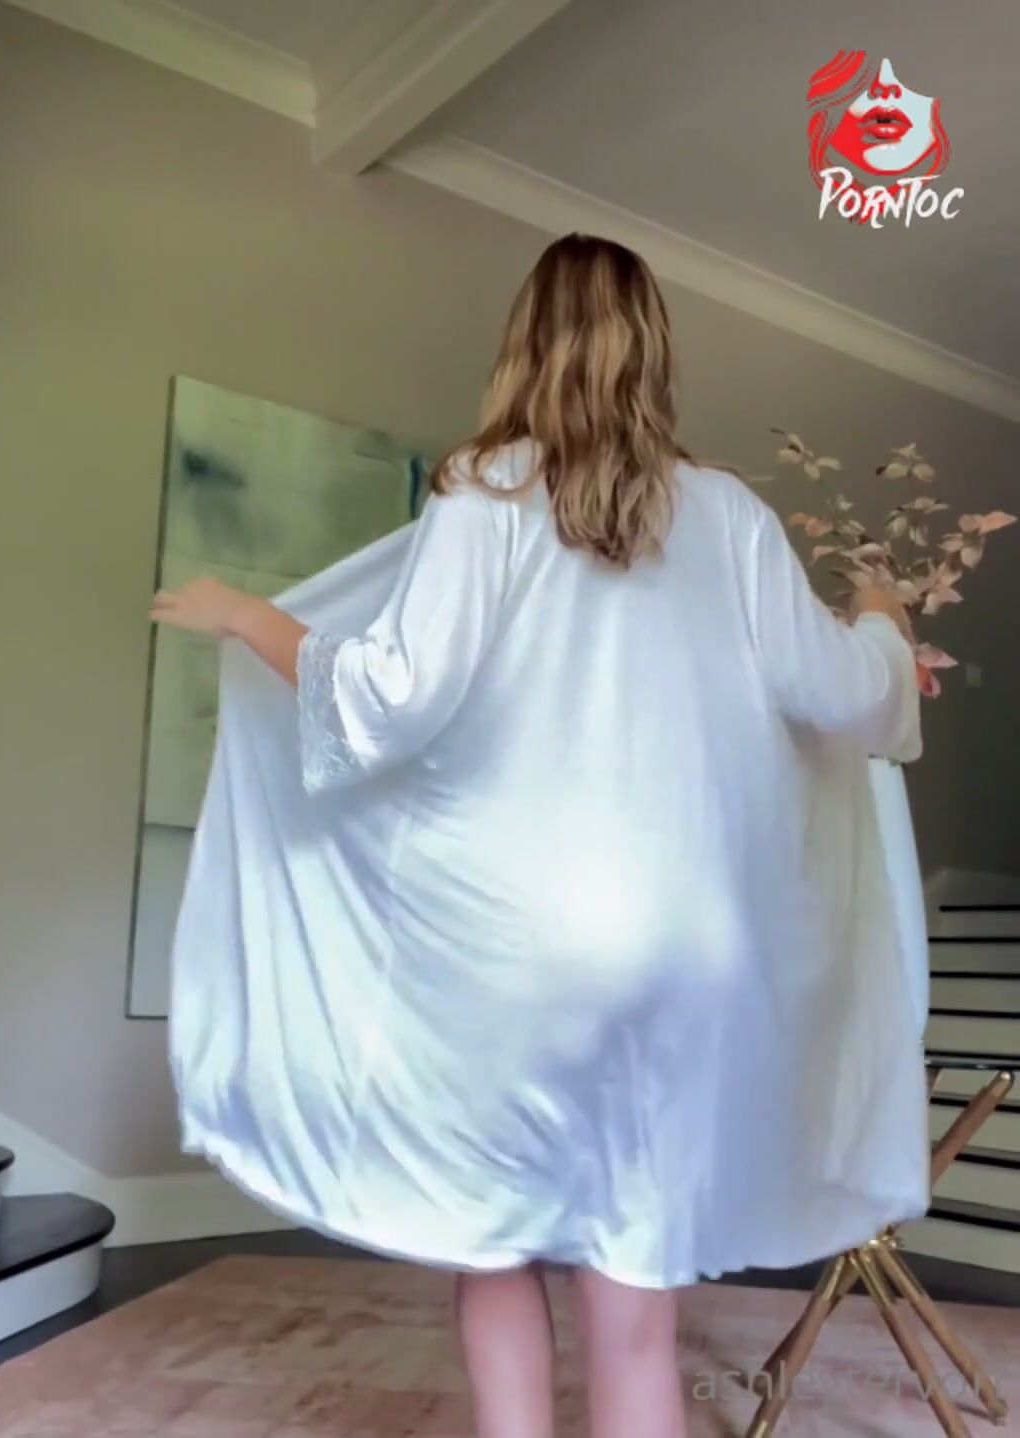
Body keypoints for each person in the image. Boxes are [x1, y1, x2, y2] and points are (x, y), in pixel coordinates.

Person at [152, 234, 926, 1438]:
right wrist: (881, 618)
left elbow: (390, 700)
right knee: (635, 1281)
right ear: (656, 352)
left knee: (494, 1235)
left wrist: (249, 616)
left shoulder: (486, 491)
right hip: (691, 947)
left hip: (516, 944)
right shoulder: (728, 515)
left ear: (525, 341)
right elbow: (844, 697)